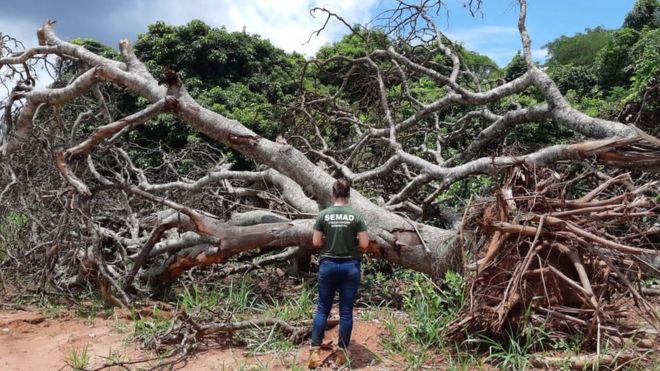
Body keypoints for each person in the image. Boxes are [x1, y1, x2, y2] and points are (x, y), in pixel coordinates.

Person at [308, 178, 369, 369]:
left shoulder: (324, 215)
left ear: (333, 195)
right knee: (345, 312)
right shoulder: (356, 216)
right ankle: (342, 353)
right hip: (350, 267)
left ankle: (315, 353)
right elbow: (365, 244)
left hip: (328, 266)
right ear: (348, 195)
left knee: (322, 309)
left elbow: (316, 242)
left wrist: (329, 239)